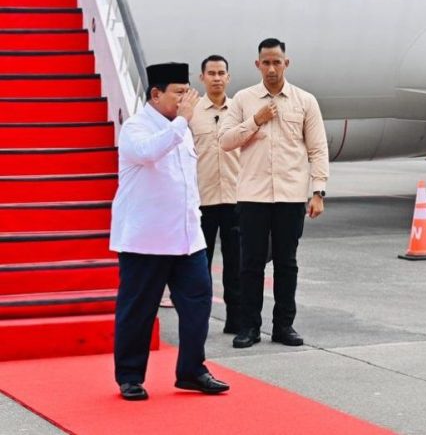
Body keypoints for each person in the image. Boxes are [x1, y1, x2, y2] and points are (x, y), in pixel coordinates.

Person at [110, 62, 230, 401]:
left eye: (186, 92)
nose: (185, 100)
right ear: (156, 94)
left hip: (186, 238)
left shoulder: (180, 128)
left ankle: (192, 370)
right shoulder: (136, 128)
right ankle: (130, 376)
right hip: (146, 239)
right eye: (178, 93)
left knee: (198, 303)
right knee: (139, 309)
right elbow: (149, 153)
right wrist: (182, 121)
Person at [220, 38, 329, 349]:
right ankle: (249, 327)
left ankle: (283, 326)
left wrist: (318, 190)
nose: (271, 68)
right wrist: (255, 121)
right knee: (250, 264)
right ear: (257, 65)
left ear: (286, 63)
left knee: (286, 263)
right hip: (253, 195)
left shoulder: (305, 101)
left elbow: (318, 148)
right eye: (265, 62)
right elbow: (225, 140)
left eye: (276, 62)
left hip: (291, 196)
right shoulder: (243, 100)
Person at [190, 55, 242, 333]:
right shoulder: (192, 113)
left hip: (235, 199)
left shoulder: (240, 110)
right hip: (202, 201)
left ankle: (236, 321)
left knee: (236, 265)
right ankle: (200, 320)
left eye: (222, 72)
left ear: (229, 77)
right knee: (200, 266)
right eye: (211, 73)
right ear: (202, 78)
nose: (217, 78)